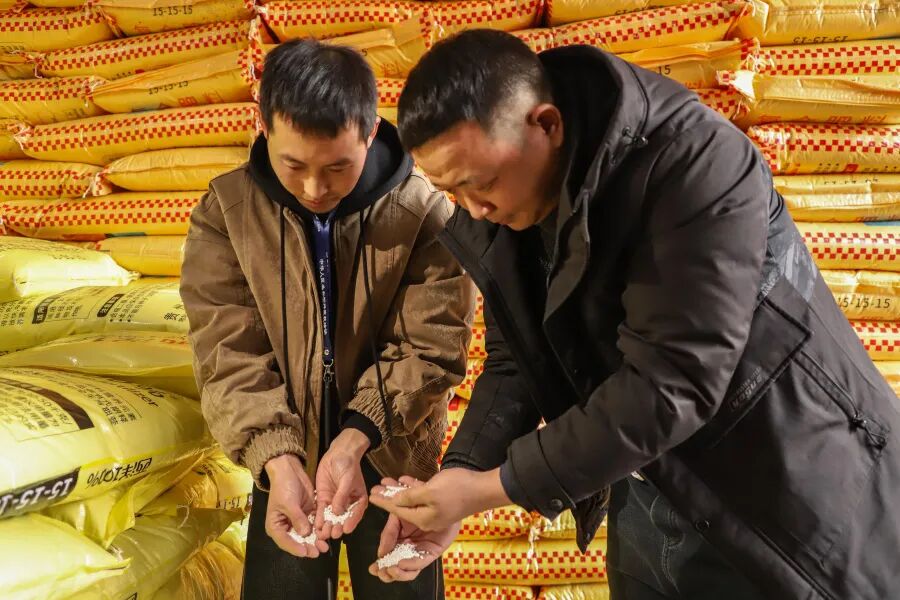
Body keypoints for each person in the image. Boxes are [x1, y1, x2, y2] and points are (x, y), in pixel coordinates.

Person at [369, 29, 900, 600]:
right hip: (650, 498)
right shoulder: (513, 206)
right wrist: (461, 474)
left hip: (786, 490)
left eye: (482, 184)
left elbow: (674, 381)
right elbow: (516, 358)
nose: (474, 209)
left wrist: (491, 489)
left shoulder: (696, 163)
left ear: (545, 124)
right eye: (451, 191)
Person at [180, 38, 474, 600]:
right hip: (282, 465)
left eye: (338, 167)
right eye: (293, 165)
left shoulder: (424, 214)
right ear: (264, 128)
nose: (315, 189)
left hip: (393, 458)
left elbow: (431, 347)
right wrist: (276, 455)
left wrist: (356, 437)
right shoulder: (227, 213)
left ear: (370, 132)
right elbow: (228, 351)